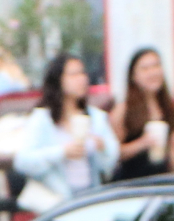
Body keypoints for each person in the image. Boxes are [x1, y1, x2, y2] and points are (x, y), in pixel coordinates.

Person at [11, 52, 116, 208]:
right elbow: (23, 161)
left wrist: (101, 147)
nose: (81, 79)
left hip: (90, 198)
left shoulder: (95, 117)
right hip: (56, 202)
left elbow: (109, 163)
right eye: (73, 75)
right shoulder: (42, 119)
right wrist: (62, 152)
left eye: (83, 73)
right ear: (58, 80)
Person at [109, 47, 174, 180]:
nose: (152, 73)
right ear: (133, 76)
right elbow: (113, 152)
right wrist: (143, 143)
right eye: (145, 69)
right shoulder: (123, 109)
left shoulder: (166, 106)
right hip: (131, 184)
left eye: (156, 66)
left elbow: (172, 150)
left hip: (161, 180)